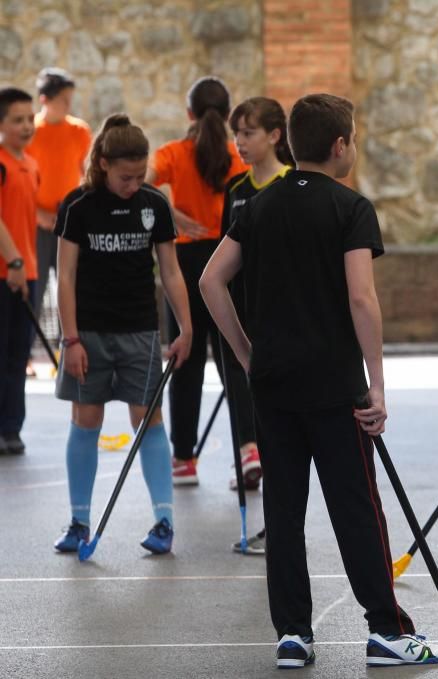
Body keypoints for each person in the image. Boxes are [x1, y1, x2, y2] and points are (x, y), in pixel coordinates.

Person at [200, 93, 438, 669]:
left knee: (283, 513)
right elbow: (362, 298)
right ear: (340, 146)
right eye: (354, 140)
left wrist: (246, 354)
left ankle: (293, 633)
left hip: (274, 386)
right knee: (357, 510)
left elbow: (212, 281)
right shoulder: (350, 207)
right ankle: (386, 630)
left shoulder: (256, 208)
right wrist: (377, 383)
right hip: (336, 389)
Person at [51, 114, 192, 554]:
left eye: (139, 175)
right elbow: (67, 277)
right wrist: (70, 340)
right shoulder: (78, 205)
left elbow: (170, 271)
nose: (133, 184)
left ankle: (164, 522)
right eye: (125, 177)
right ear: (104, 164)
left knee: (147, 420)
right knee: (86, 419)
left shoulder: (154, 204)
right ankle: (79, 522)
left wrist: (186, 327)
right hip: (89, 334)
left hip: (141, 332)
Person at [147, 76, 249, 487]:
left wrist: (171, 213)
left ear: (188, 113)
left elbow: (142, 180)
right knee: (236, 357)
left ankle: (184, 458)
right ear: (227, 115)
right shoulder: (236, 155)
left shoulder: (173, 152)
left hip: (187, 262)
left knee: (184, 357)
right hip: (229, 260)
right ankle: (250, 448)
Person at [222, 96, 295, 555]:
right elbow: (224, 262)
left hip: (284, 321)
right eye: (237, 134)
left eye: (248, 133)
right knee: (258, 423)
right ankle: (272, 523)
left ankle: (284, 525)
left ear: (274, 135)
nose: (240, 142)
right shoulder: (235, 190)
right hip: (245, 319)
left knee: (283, 433)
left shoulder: (295, 186)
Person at [25, 68, 91, 362]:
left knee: (74, 286)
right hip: (35, 224)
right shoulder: (31, 132)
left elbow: (85, 175)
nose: (68, 106)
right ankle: (24, 354)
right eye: (63, 100)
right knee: (35, 292)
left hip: (68, 224)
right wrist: (39, 214)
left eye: (69, 99)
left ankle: (76, 349)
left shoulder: (79, 131)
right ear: (44, 100)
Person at [0, 88, 40, 455]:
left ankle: (11, 427)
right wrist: (12, 262)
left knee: (17, 354)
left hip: (26, 271)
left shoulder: (29, 164)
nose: (27, 126)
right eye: (17, 120)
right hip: (6, 272)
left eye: (30, 118)